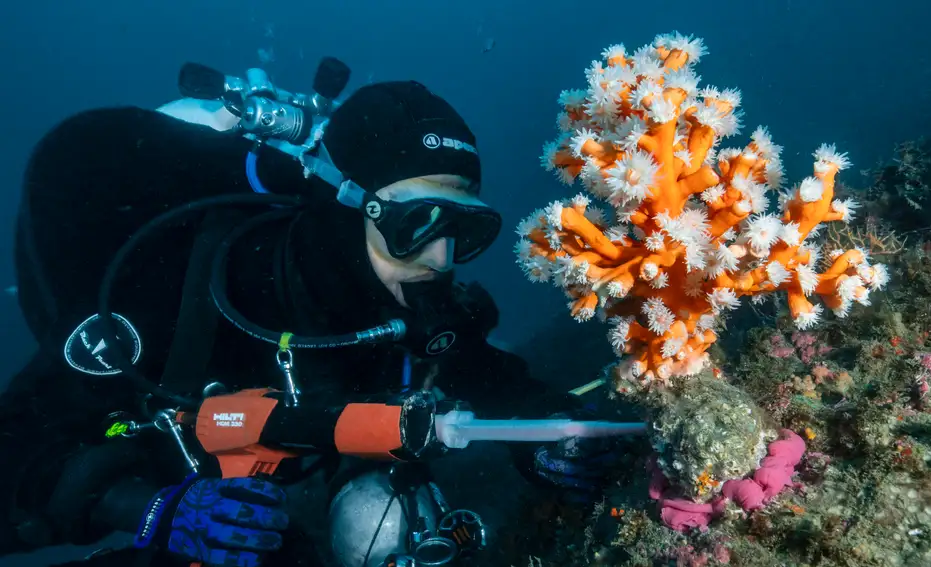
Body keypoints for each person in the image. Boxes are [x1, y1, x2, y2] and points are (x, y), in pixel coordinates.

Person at [0, 61, 624, 567]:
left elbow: (488, 375)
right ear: (346, 205)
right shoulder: (177, 290)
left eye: (464, 229)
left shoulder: (412, 299)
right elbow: (21, 452)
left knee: (382, 527)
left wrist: (547, 436)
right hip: (159, 452)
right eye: (417, 223)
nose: (440, 259)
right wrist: (150, 509)